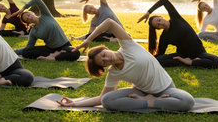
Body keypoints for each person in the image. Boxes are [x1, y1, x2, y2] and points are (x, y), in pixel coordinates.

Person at [57, 19, 195, 112]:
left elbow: (110, 23)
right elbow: (101, 99)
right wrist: (74, 103)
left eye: (104, 55)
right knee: (107, 100)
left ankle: (153, 102)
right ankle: (148, 102)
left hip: (165, 89)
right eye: (103, 63)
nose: (107, 60)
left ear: (106, 49)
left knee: (187, 101)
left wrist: (88, 40)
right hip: (140, 92)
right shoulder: (114, 72)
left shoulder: (128, 46)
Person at [137, 0, 218, 69]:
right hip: (182, 55)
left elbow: (164, 1)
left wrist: (148, 12)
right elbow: (160, 55)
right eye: (158, 25)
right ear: (158, 29)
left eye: (159, 20)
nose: (161, 23)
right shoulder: (164, 37)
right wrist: (145, 58)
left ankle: (190, 62)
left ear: (161, 17)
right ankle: (186, 62)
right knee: (159, 60)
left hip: (199, 53)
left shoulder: (176, 18)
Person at [11, 0, 80, 61]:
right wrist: (13, 52)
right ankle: (55, 55)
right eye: (27, 19)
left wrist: (23, 9)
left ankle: (54, 57)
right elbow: (28, 47)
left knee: (76, 53)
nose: (29, 18)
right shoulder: (33, 32)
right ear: (28, 23)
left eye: (28, 15)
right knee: (26, 52)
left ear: (32, 13)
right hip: (50, 49)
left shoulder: (46, 15)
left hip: (64, 46)